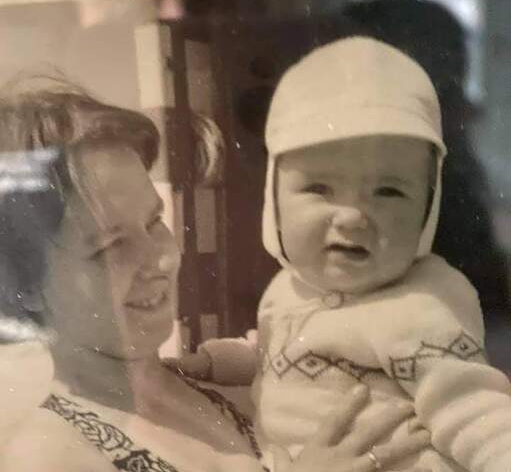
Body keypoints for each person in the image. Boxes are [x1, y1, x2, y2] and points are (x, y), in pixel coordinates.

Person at [0, 82, 429, 471]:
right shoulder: (48, 457)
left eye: (154, 221)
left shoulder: (216, 387)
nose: (161, 260)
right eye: (111, 245)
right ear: (25, 285)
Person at [171, 37, 511, 472]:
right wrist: (214, 362)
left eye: (388, 192)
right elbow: (273, 352)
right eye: (319, 188)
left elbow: (475, 412)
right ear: (274, 199)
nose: (352, 217)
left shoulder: (422, 308)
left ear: (427, 209)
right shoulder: (288, 289)